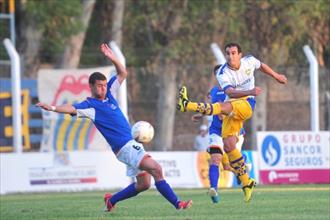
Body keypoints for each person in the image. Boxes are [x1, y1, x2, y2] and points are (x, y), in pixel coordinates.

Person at [36, 43, 192, 211]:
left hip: (131, 145)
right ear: (91, 86)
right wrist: (52, 107)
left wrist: (112, 58)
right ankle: (178, 204)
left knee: (144, 184)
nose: (103, 88)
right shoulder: (90, 106)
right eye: (99, 86)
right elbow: (71, 108)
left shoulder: (109, 93)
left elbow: (123, 73)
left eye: (104, 85)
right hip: (125, 147)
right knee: (157, 169)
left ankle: (112, 200)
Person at [178, 42, 288, 202]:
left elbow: (261, 65)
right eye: (228, 53)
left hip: (246, 104)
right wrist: (250, 90)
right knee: (229, 146)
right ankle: (246, 182)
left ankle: (187, 105)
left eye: (234, 53)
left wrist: (277, 76)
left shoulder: (249, 61)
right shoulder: (223, 73)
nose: (231, 56)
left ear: (240, 54)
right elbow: (230, 92)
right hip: (232, 110)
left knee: (222, 108)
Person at [191, 64, 249, 203]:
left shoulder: (236, 90)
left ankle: (242, 168)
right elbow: (212, 108)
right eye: (219, 74)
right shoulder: (214, 91)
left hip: (233, 131)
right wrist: (201, 114)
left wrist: (228, 113)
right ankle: (214, 189)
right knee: (215, 159)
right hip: (216, 130)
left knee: (230, 165)